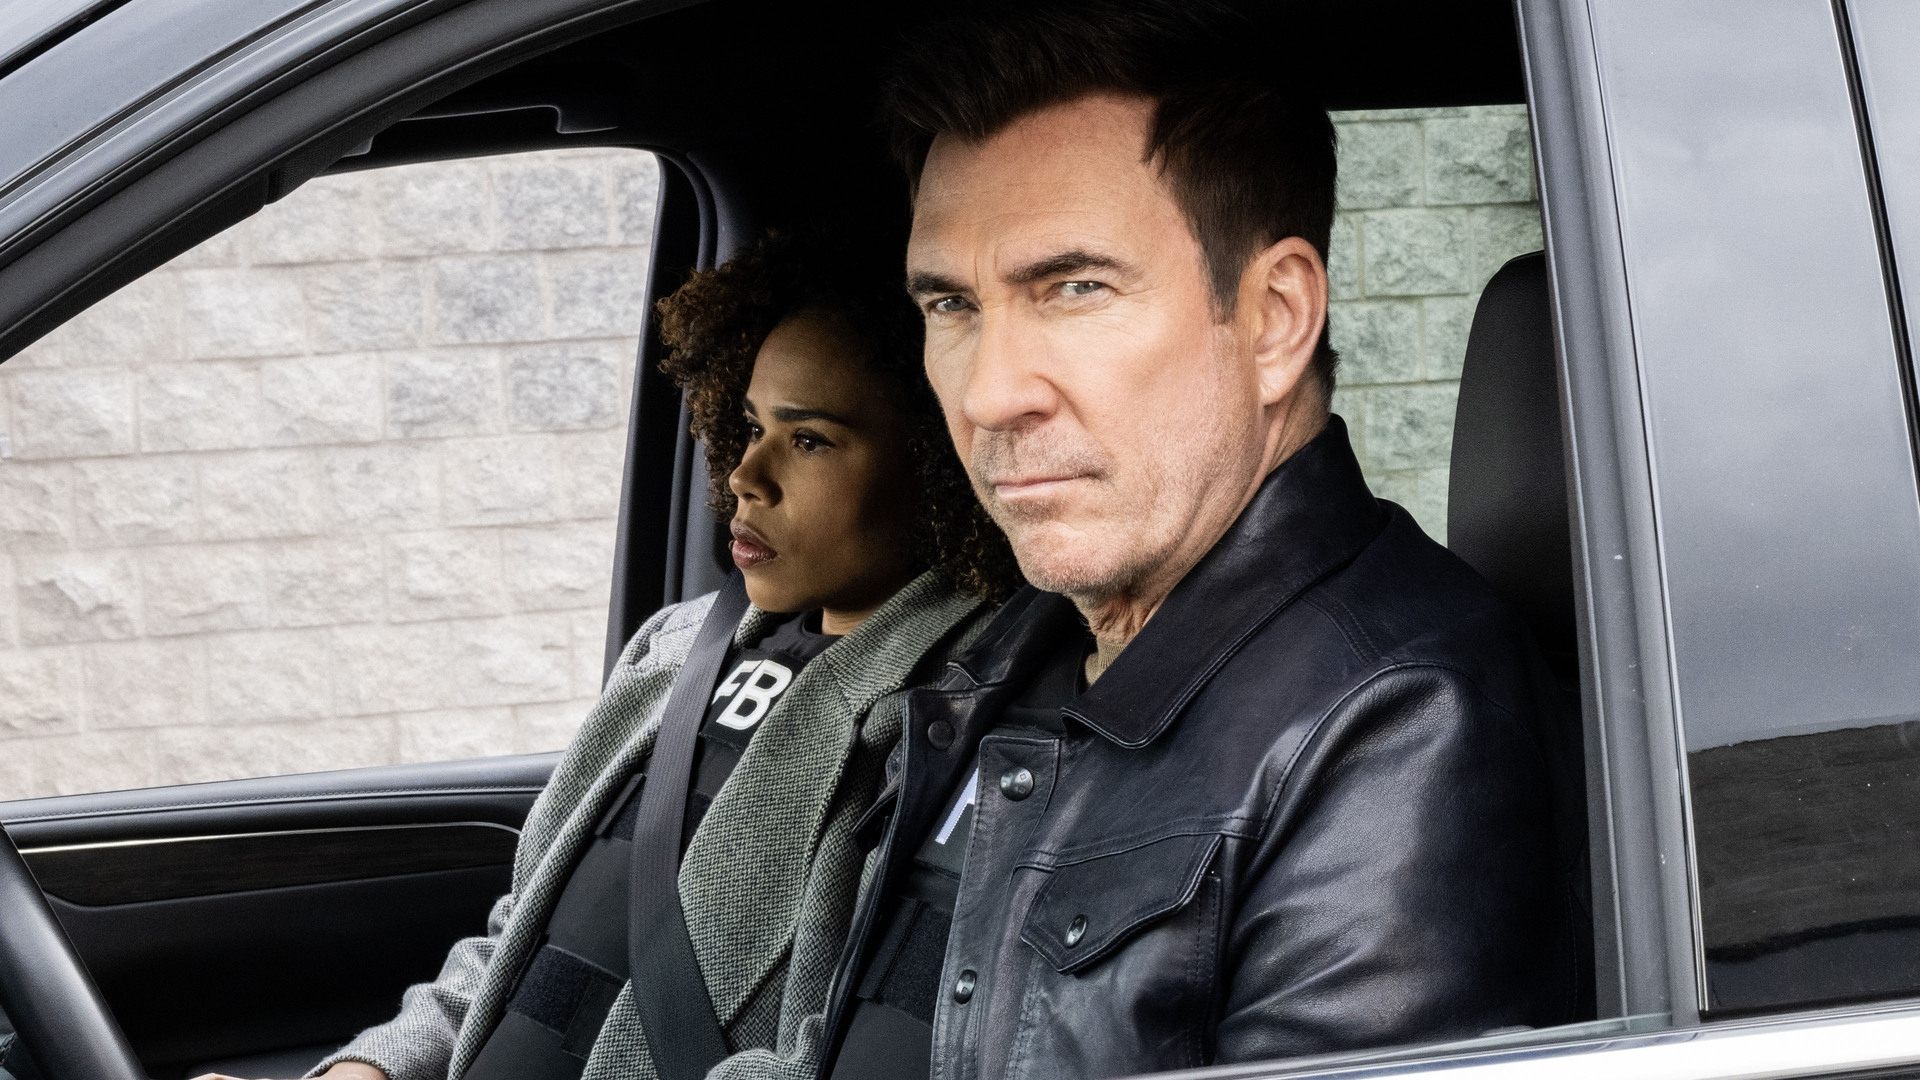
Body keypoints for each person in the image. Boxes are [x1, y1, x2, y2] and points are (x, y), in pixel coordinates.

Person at [811, 4, 1590, 1079]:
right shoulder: (1003, 649)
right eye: (952, 305)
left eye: (1074, 288)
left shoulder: (1404, 729)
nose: (989, 394)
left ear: (1274, 319)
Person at [197, 230, 1017, 1080]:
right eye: (750, 425)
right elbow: (526, 941)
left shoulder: (948, 728)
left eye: (809, 440)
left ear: (938, 465)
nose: (747, 474)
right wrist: (369, 1071)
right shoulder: (677, 647)